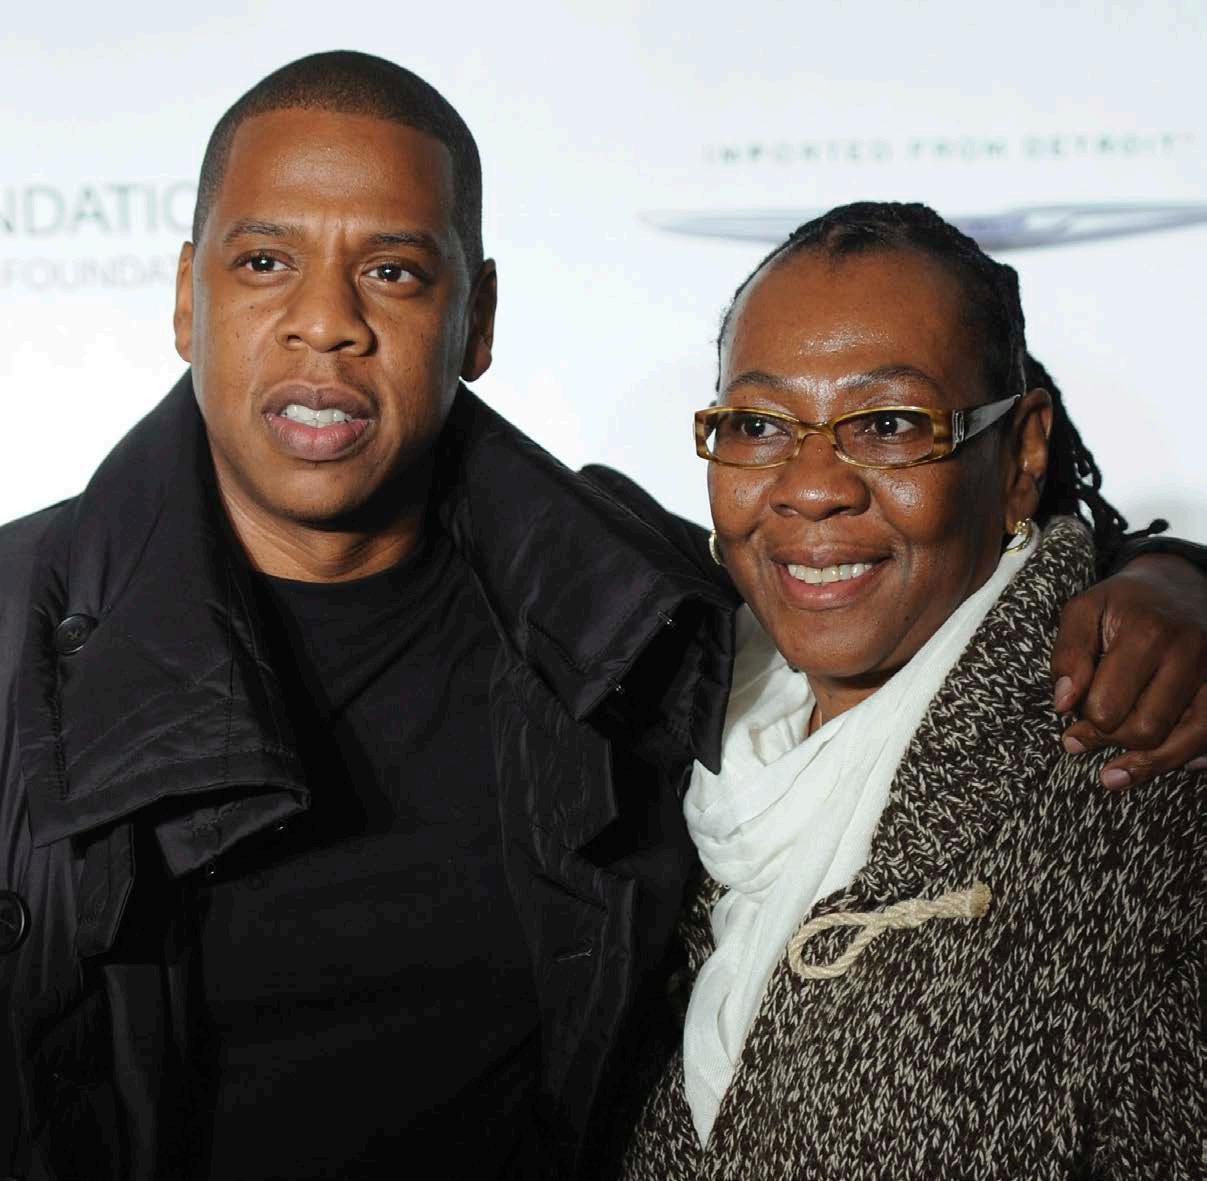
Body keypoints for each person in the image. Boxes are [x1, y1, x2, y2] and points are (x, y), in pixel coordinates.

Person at [0, 53, 1202, 1181]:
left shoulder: (626, 602)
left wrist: (1172, 579)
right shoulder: (15, 637)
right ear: (182, 296)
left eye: (395, 270)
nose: (327, 320)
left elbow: (902, 577)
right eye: (264, 261)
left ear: (476, 317)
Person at [621, 203, 1204, 1179]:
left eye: (886, 424)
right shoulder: (672, 694)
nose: (810, 486)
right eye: (758, 424)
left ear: (1020, 454)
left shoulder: (1149, 768)